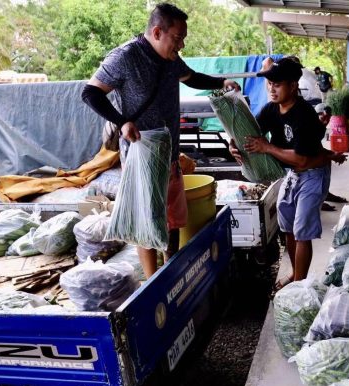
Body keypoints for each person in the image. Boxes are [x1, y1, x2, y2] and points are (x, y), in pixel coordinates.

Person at [81, 2, 239, 278]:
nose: (180, 46)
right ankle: (154, 279)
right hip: (142, 152)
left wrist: (221, 82)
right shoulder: (125, 57)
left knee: (173, 217)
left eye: (182, 39)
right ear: (157, 32)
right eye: (177, 38)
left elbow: (192, 78)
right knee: (148, 220)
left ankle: (172, 269)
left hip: (170, 152)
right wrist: (122, 121)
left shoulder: (171, 59)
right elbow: (90, 93)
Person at [230, 58, 346, 288]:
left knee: (302, 231)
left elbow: (302, 158)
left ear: (293, 86)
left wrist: (268, 147)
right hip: (293, 174)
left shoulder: (304, 114)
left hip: (312, 174)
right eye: (269, 84)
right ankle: (296, 275)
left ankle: (300, 287)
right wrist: (234, 145)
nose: (272, 89)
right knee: (288, 228)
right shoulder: (271, 109)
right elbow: (251, 133)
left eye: (278, 84)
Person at [315, 103, 349, 209]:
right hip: (298, 162)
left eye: (328, 118)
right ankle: (317, 201)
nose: (326, 121)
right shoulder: (310, 127)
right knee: (319, 164)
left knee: (327, 159)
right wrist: (333, 156)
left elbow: (318, 148)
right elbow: (311, 155)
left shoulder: (320, 127)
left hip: (310, 154)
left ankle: (325, 193)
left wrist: (333, 154)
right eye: (323, 117)